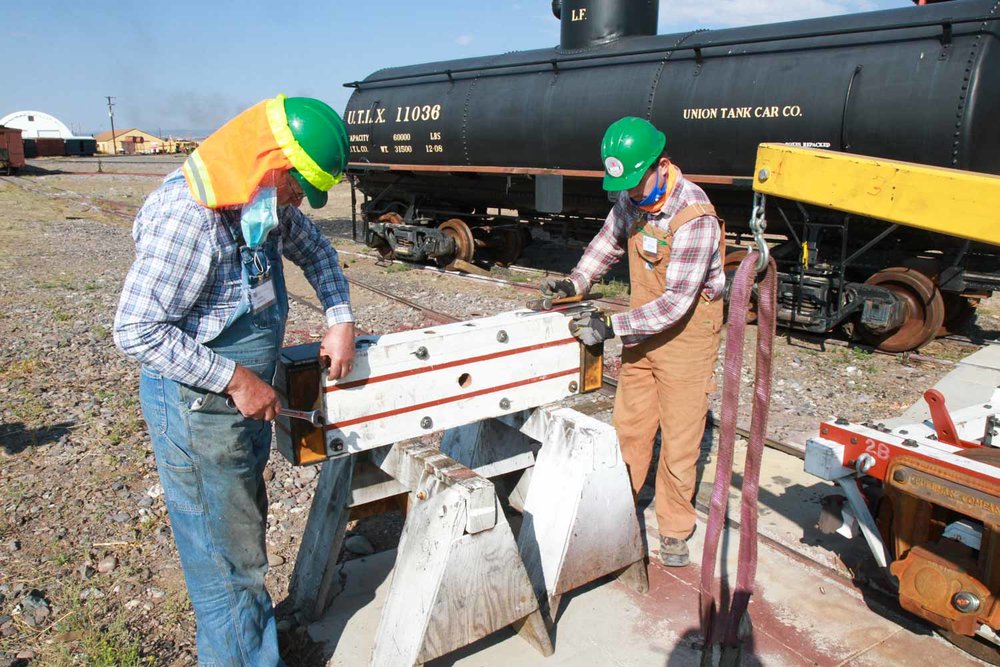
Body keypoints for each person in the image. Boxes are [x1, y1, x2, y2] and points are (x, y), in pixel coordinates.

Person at [114, 94, 355, 665]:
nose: (298, 203)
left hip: (236, 406)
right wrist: (237, 380)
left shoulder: (260, 201)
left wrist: (340, 317)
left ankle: (253, 644)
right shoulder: (189, 217)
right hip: (198, 413)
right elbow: (135, 330)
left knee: (242, 538)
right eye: (297, 188)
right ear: (271, 166)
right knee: (226, 564)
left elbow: (316, 252)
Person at [542, 116, 725, 567]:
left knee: (681, 442)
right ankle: (617, 513)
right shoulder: (631, 194)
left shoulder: (694, 216)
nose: (633, 194)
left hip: (686, 338)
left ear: (660, 165)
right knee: (630, 427)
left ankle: (675, 530)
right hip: (643, 332)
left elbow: (676, 305)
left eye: (638, 182)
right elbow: (607, 243)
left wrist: (609, 326)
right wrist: (576, 283)